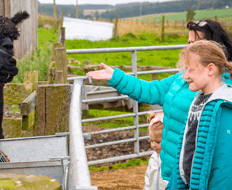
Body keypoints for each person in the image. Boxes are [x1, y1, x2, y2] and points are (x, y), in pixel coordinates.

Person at [86, 19, 232, 181]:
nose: (189, 48)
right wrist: (116, 77)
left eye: (196, 43)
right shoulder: (183, 78)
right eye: (188, 42)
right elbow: (152, 90)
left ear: (213, 49)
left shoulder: (220, 94)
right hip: (171, 169)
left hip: (192, 175)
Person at [166, 40, 232, 189]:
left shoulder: (224, 107)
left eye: (190, 70)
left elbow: (225, 162)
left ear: (210, 69)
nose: (185, 76)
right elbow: (184, 150)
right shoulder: (197, 102)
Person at [144, 112, 168, 190]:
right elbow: (148, 181)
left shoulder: (172, 160)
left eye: (158, 142)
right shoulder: (153, 158)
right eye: (151, 141)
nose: (153, 145)